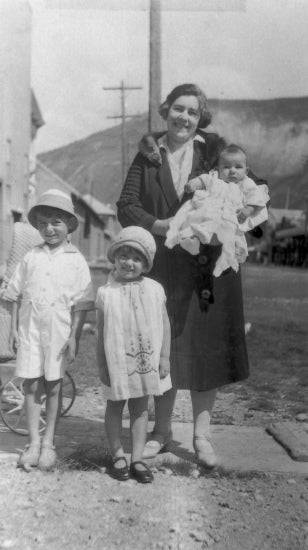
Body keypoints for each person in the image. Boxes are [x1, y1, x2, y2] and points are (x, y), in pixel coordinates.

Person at [117, 83, 268, 468]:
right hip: (167, 267)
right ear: (166, 110)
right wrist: (161, 224)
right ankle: (161, 432)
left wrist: (241, 215)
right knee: (168, 352)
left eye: (193, 112)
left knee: (207, 354)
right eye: (178, 109)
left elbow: (255, 184)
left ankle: (201, 437)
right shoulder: (149, 156)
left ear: (201, 118)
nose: (184, 117)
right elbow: (126, 205)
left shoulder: (215, 151)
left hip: (210, 271)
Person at [6, 189, 94, 471]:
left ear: (69, 224)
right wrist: (13, 331)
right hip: (30, 327)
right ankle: (33, 442)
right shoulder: (31, 256)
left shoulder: (76, 259)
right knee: (31, 385)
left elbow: (81, 304)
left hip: (58, 329)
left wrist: (75, 337)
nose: (49, 228)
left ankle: (49, 443)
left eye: (56, 222)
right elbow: (17, 295)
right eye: (43, 223)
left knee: (54, 386)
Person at [96, 226, 171, 483]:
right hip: (116, 361)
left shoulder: (154, 289)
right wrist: (102, 366)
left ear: (146, 264)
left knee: (140, 408)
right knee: (115, 405)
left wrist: (164, 357)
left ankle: (137, 457)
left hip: (144, 360)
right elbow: (101, 332)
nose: (129, 263)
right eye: (124, 256)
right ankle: (117, 453)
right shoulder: (106, 293)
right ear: (115, 257)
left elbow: (165, 324)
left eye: (137, 258)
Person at [165, 144, 270, 277]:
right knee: (198, 222)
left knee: (234, 236)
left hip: (231, 217)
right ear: (217, 169)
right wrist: (192, 185)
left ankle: (232, 257)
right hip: (211, 214)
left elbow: (256, 198)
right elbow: (202, 180)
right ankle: (193, 242)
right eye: (226, 167)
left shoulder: (246, 184)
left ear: (246, 171)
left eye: (238, 167)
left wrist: (248, 209)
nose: (232, 171)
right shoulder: (214, 178)